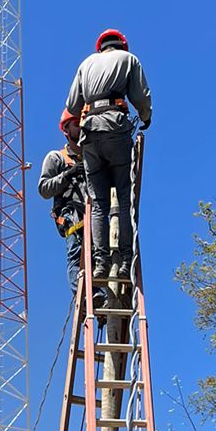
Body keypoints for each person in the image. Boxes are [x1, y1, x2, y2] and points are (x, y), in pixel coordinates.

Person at [63, 29, 152, 281]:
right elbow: (140, 97)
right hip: (115, 127)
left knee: (99, 202)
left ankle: (100, 262)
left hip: (90, 134)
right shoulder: (128, 59)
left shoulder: (86, 64)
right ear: (122, 45)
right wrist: (146, 117)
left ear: (100, 47)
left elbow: (72, 105)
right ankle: (124, 260)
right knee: (123, 197)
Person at [38, 111, 107, 308]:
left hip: (96, 215)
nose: (81, 127)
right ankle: (86, 296)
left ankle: (101, 297)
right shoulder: (57, 158)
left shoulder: (92, 158)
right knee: (78, 257)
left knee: (101, 257)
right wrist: (67, 175)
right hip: (73, 216)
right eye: (77, 124)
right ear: (66, 129)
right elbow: (44, 189)